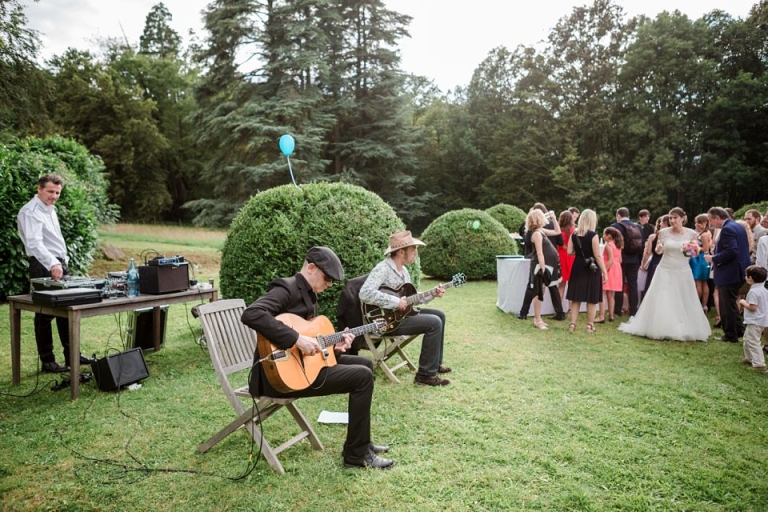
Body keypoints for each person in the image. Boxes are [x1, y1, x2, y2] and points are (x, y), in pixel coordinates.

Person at [241, 246, 393, 469]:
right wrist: (296, 339)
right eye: (327, 278)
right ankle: (355, 456)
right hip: (278, 377)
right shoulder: (286, 288)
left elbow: (312, 341)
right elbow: (252, 314)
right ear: (310, 267)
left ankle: (362, 443)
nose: (329, 284)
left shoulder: (309, 293)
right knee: (361, 377)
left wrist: (337, 347)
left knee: (365, 363)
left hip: (302, 366)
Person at [17, 174, 93, 373]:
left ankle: (72, 355)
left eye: (57, 192)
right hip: (43, 264)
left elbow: (54, 240)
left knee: (67, 310)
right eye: (50, 191)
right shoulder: (30, 211)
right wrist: (52, 263)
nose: (54, 196)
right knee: (44, 314)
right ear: (39, 188)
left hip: (58, 263)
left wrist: (62, 261)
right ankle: (48, 361)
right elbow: (34, 243)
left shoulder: (50, 209)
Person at [359, 231, 451, 387]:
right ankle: (424, 376)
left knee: (439, 315)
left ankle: (434, 365)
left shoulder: (404, 270)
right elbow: (365, 293)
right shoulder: (383, 269)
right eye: (413, 249)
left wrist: (432, 294)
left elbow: (410, 299)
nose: (415, 252)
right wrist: (395, 302)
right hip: (385, 321)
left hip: (401, 316)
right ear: (402, 252)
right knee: (434, 323)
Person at [619, 207, 711, 341]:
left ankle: (683, 326)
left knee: (683, 296)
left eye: (675, 218)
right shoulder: (663, 232)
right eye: (671, 218)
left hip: (682, 269)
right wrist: (659, 248)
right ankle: (661, 326)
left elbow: (693, 254)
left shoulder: (692, 234)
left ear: (682, 218)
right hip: (665, 268)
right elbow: (658, 249)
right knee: (663, 296)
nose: (672, 220)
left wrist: (691, 250)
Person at [518, 203, 566, 321]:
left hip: (548, 264)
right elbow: (540, 253)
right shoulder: (537, 234)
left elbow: (557, 231)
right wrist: (543, 269)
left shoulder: (541, 230)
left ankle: (527, 313)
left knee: (541, 287)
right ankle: (526, 313)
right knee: (534, 287)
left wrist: (554, 219)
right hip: (541, 265)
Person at [566, 209, 608, 334]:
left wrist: (579, 253)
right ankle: (589, 325)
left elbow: (569, 252)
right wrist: (605, 272)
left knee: (576, 297)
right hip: (591, 267)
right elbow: (598, 255)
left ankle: (572, 324)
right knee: (591, 298)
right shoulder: (593, 235)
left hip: (578, 266)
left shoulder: (574, 234)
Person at [611, 207, 643, 317]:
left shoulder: (615, 226)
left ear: (618, 215)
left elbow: (613, 245)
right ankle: (633, 310)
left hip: (620, 259)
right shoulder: (638, 227)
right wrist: (640, 260)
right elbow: (641, 245)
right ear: (628, 215)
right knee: (633, 284)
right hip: (634, 259)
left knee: (619, 284)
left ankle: (617, 310)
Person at [738, 265, 768, 372]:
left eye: (747, 276)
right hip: (761, 320)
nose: (746, 277)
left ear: (750, 278)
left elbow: (752, 307)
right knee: (747, 339)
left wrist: (742, 302)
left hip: (755, 321)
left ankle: (759, 364)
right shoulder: (764, 290)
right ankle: (749, 358)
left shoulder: (753, 292)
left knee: (753, 341)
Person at [596, 227, 623, 323]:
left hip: (609, 269)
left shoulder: (608, 245)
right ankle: (611, 316)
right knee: (611, 294)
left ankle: (601, 316)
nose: (603, 236)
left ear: (609, 236)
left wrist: (604, 271)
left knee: (602, 293)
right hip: (617, 269)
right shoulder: (618, 245)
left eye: (604, 234)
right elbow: (620, 260)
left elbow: (610, 260)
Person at [690, 214, 712, 313]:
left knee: (698, 283)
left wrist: (695, 247)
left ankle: (697, 306)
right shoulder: (706, 232)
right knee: (704, 282)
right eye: (696, 222)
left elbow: (706, 248)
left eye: (700, 223)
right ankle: (704, 306)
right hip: (703, 259)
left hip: (700, 259)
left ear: (705, 223)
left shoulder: (703, 234)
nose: (697, 225)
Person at [556, 210, 576, 307]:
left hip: (561, 256)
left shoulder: (558, 230)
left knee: (561, 284)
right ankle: (571, 309)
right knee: (571, 285)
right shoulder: (573, 229)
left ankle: (559, 308)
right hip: (571, 256)